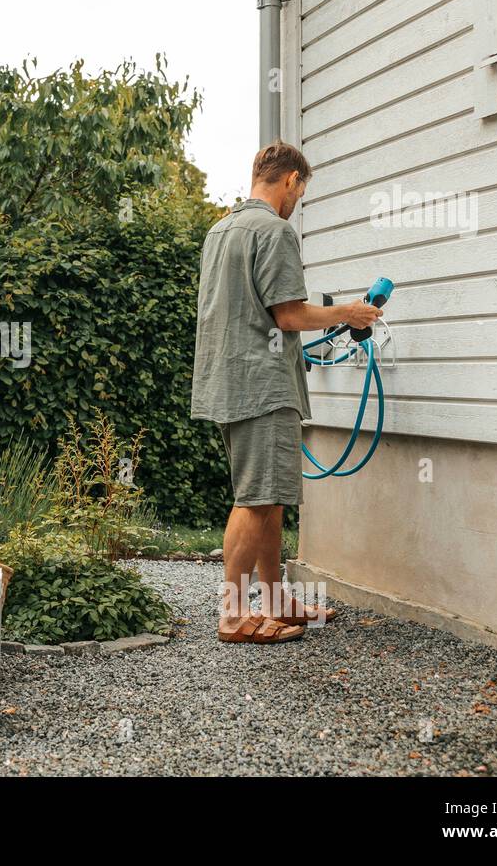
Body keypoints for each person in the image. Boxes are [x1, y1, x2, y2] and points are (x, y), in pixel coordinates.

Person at [190, 141, 382, 644]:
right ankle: (233, 616)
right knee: (255, 499)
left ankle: (275, 600)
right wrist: (349, 313)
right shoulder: (274, 232)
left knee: (270, 496)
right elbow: (289, 314)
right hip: (263, 384)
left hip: (229, 379)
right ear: (291, 180)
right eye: (302, 190)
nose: (298, 200)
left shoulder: (220, 230)